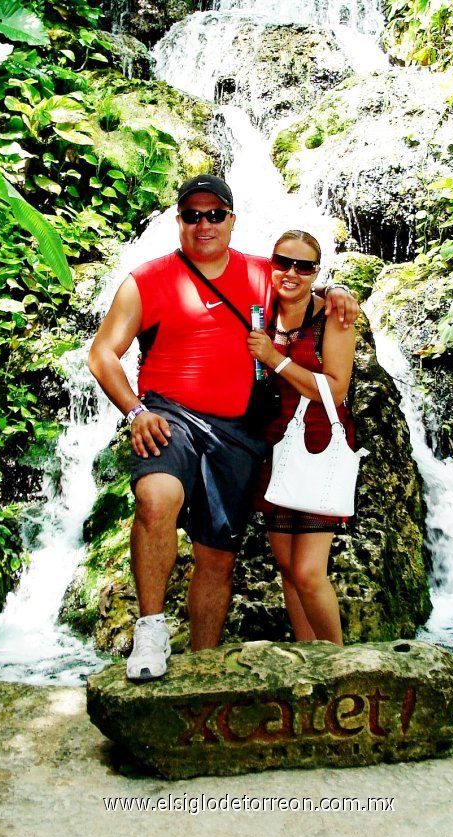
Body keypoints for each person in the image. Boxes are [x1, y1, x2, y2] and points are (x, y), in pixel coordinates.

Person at [88, 174, 359, 680]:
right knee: (156, 498)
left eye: (215, 214)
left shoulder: (262, 272)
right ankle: (150, 629)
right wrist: (134, 411)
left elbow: (303, 288)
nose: (204, 223)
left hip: (236, 430)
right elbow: (102, 353)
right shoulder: (146, 280)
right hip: (167, 415)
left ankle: (203, 665)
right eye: (192, 214)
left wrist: (339, 292)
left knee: (217, 556)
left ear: (232, 221)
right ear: (179, 222)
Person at [247, 230, 356, 645]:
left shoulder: (333, 316)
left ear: (316, 272)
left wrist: (274, 359)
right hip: (272, 445)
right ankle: (311, 658)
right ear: (269, 263)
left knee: (310, 571)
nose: (292, 272)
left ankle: (340, 663)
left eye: (304, 266)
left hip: (319, 443)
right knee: (289, 571)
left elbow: (336, 388)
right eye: (283, 262)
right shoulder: (259, 310)